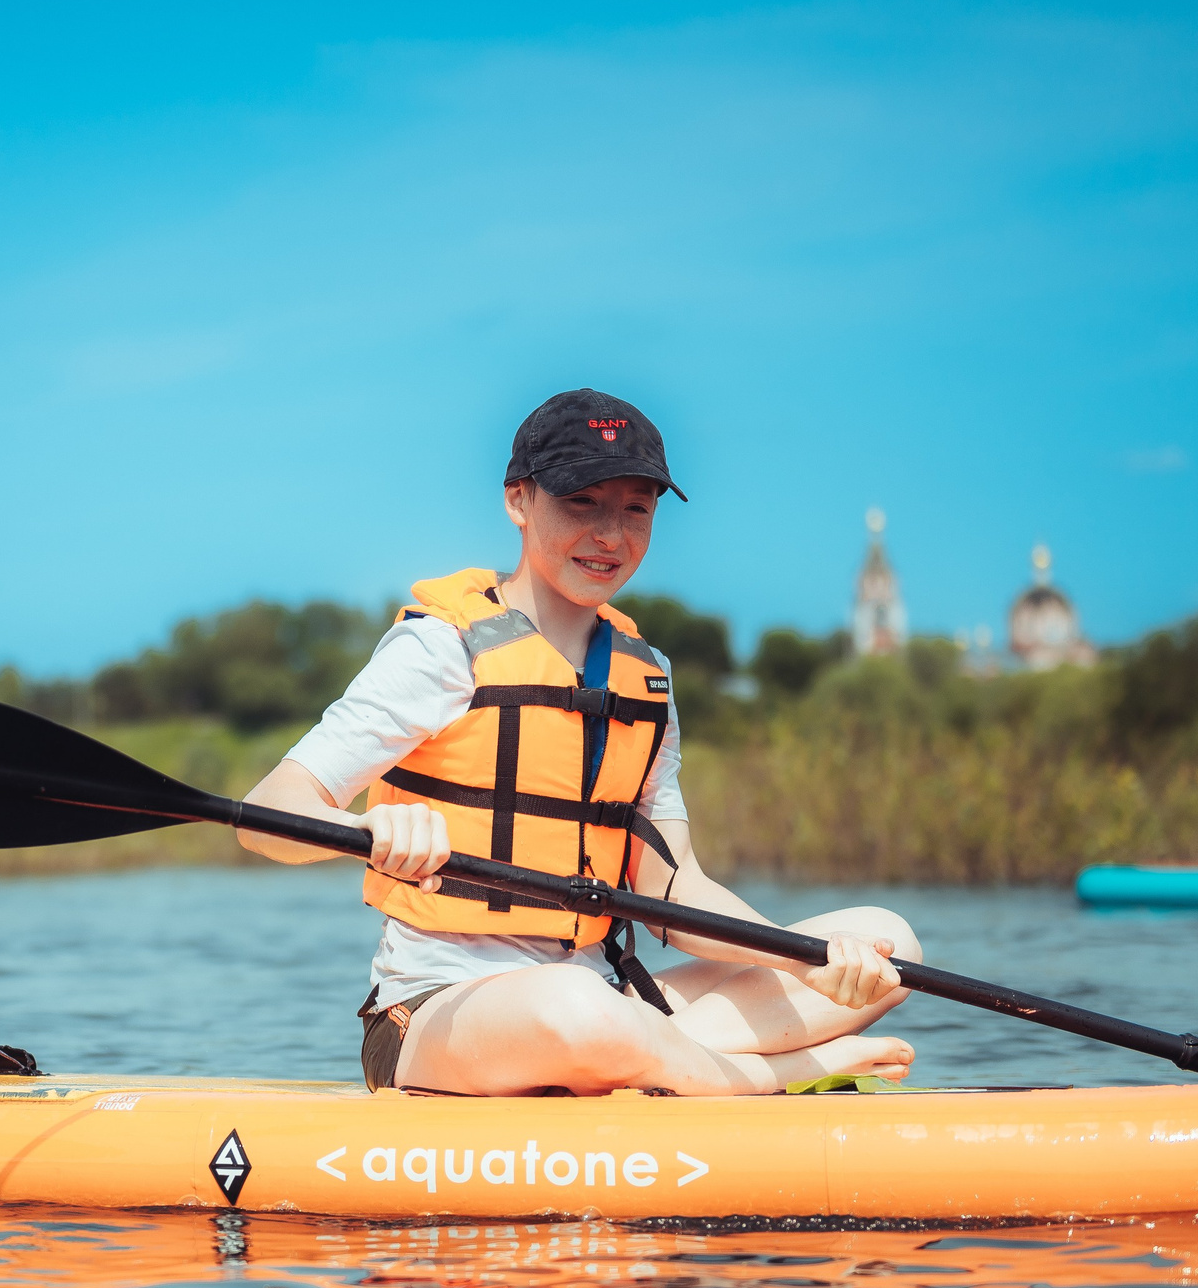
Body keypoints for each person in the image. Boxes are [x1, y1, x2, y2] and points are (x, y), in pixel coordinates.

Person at [237, 389, 918, 1097]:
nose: (610, 536)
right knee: (575, 1007)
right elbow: (269, 811)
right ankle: (769, 1076)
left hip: (609, 1000)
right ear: (519, 500)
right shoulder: (443, 648)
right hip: (438, 1015)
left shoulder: (646, 676)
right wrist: (364, 826)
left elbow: (673, 885)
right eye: (582, 503)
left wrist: (807, 962)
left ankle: (658, 1064)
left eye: (635, 510)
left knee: (888, 940)